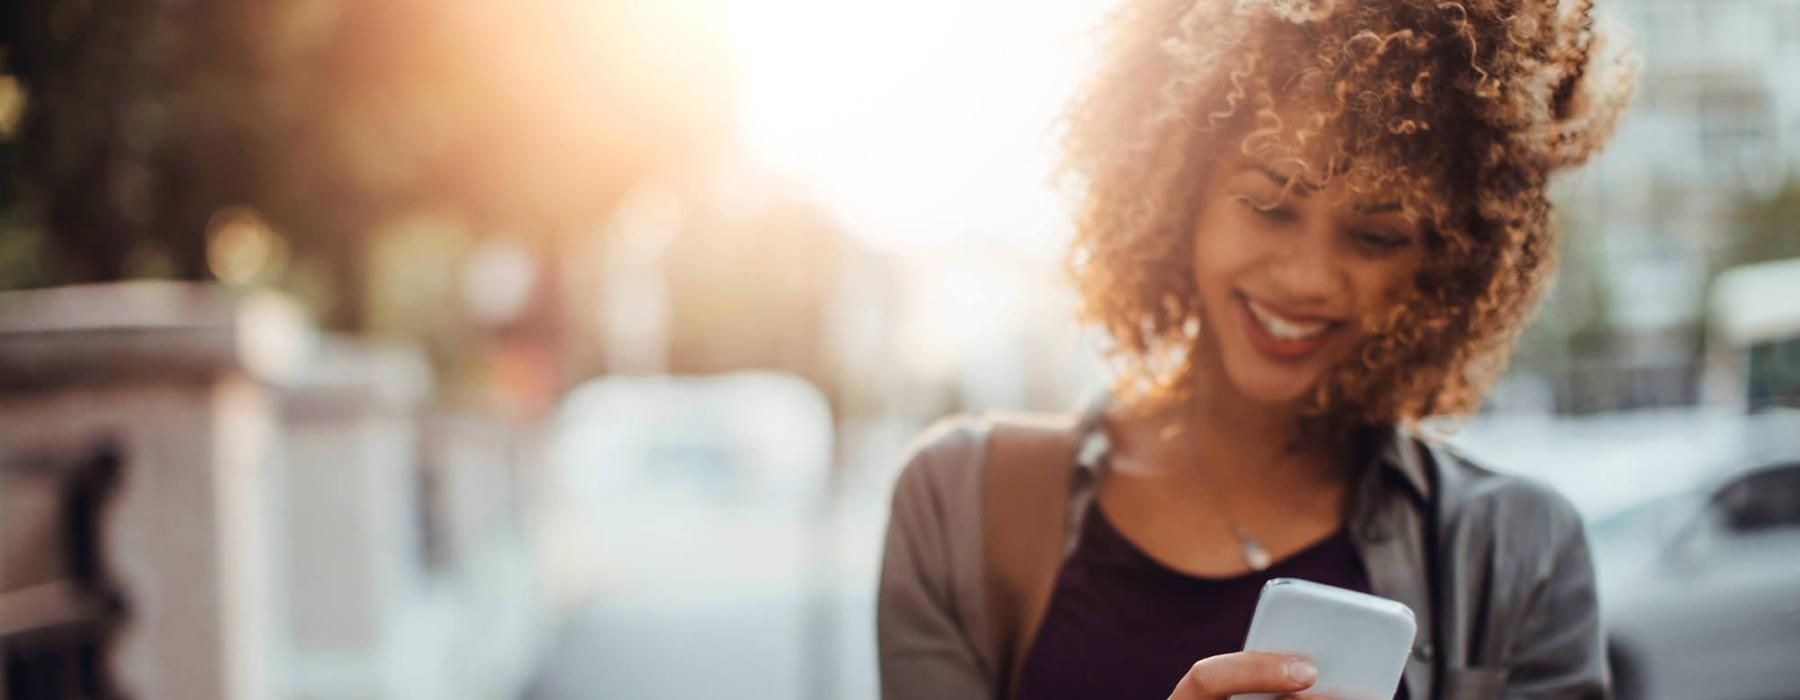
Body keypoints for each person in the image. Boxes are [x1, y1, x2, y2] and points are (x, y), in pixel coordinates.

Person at [876, 0, 1637, 698]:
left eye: (1375, 236)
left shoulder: (1521, 555)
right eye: (1269, 206)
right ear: (1179, 189)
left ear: (1445, 261)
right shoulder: (963, 505)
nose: (1307, 278)